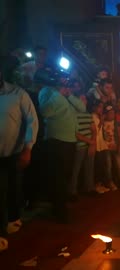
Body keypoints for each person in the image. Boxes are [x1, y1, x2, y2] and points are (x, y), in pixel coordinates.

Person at [37, 69, 86, 223]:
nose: (65, 81)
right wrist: (59, 94)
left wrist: (68, 94)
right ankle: (59, 210)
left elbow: (82, 108)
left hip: (69, 140)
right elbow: (45, 111)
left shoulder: (66, 93)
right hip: (56, 140)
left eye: (66, 78)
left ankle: (61, 206)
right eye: (63, 78)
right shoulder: (47, 92)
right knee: (57, 176)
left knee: (65, 175)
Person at [0, 69, 39, 251]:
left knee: (12, 188)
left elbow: (32, 120)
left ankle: (13, 219)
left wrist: (28, 147)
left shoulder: (17, 94)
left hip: (13, 151)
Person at [69, 98, 97, 199]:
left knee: (89, 168)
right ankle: (72, 192)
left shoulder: (88, 114)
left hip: (89, 145)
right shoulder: (73, 115)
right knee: (75, 169)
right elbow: (76, 133)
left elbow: (94, 130)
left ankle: (90, 188)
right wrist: (91, 142)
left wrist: (92, 144)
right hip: (80, 146)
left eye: (85, 99)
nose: (84, 101)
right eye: (82, 99)